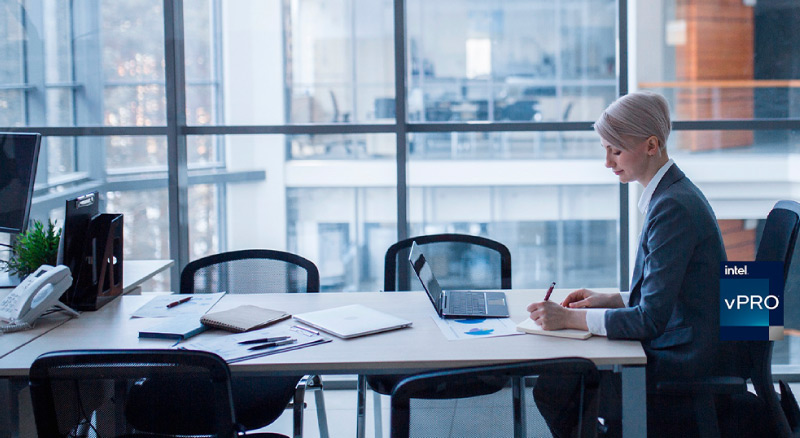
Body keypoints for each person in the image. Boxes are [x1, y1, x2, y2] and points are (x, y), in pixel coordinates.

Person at [528, 91, 726, 437]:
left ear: (652, 145)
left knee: (557, 386)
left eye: (615, 150)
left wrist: (568, 318)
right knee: (561, 381)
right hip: (687, 336)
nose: (607, 162)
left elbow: (650, 319)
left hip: (684, 357)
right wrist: (613, 299)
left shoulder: (672, 207)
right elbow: (669, 291)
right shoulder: (673, 194)